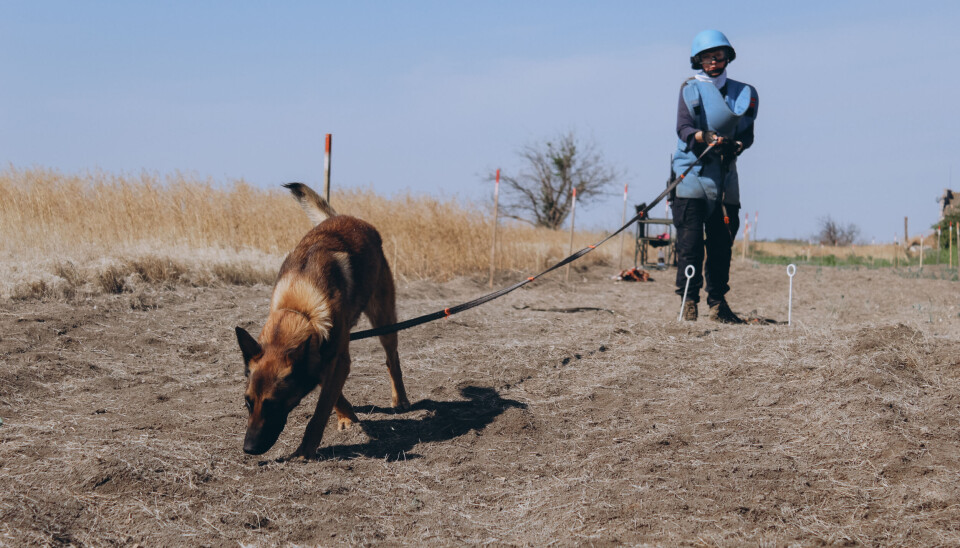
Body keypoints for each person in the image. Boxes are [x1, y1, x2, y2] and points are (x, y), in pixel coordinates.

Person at [670, 29, 758, 323]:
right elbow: (683, 128)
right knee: (690, 244)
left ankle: (718, 304)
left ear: (727, 57)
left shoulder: (743, 93)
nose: (713, 61)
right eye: (707, 56)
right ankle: (688, 302)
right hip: (691, 175)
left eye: (718, 55)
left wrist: (737, 145)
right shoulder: (689, 89)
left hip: (724, 178)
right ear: (698, 60)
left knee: (722, 244)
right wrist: (702, 135)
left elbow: (748, 134)